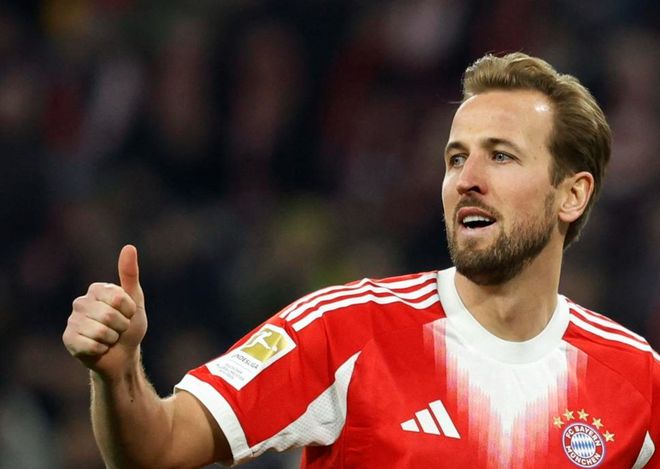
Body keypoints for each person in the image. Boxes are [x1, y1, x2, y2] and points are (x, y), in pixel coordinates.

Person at [62, 52, 659, 468]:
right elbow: (161, 448)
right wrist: (117, 376)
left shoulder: (639, 382)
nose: (466, 180)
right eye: (456, 159)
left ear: (572, 195)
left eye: (500, 156)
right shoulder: (345, 328)